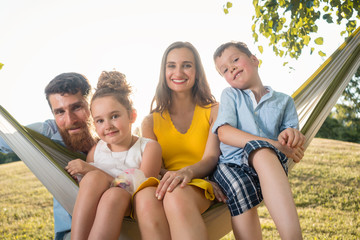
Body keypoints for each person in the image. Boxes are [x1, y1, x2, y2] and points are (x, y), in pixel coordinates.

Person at [211, 41, 305, 240]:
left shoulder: (284, 101)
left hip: (268, 166)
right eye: (225, 70)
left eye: (235, 60)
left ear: (254, 60)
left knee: (262, 152)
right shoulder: (231, 95)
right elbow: (224, 133)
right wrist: (272, 143)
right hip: (232, 165)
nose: (232, 68)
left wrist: (290, 137)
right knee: (240, 186)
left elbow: (290, 140)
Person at [135, 41, 226, 240]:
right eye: (171, 65)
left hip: (200, 182)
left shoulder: (214, 111)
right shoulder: (150, 122)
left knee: (176, 194)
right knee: (143, 197)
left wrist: (186, 174)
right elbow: (155, 167)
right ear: (164, 71)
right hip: (166, 182)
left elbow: (211, 157)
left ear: (197, 71)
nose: (178, 72)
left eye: (186, 65)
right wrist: (174, 176)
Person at [65, 71, 162, 240]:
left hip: (130, 204)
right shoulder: (97, 150)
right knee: (92, 179)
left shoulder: (148, 148)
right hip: (100, 207)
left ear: (132, 115)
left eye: (114, 116)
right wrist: (84, 173)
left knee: (112, 194)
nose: (108, 125)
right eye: (100, 121)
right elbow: (87, 191)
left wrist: (89, 169)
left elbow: (140, 188)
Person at [0, 72, 96, 239]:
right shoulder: (49, 133)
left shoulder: (112, 136)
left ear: (92, 104)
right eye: (59, 112)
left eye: (77, 107)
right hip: (71, 232)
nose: (70, 119)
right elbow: (5, 139)